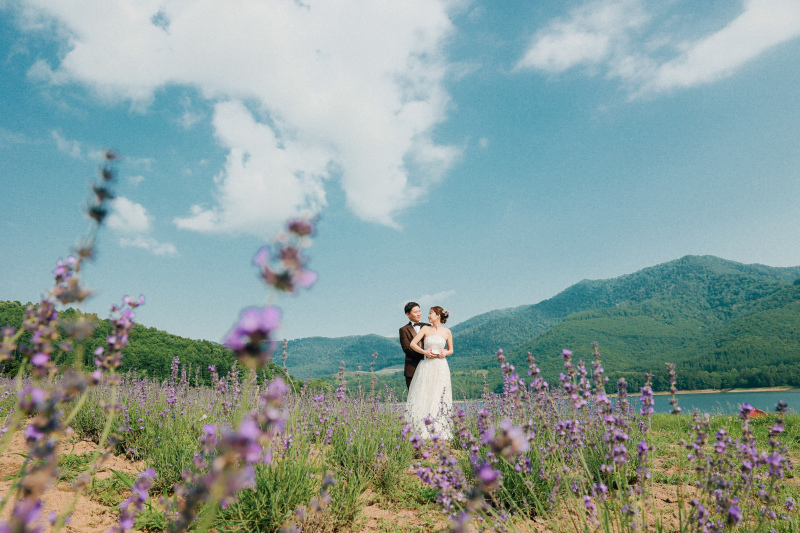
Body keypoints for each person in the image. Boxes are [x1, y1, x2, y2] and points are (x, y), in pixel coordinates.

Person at [404, 306, 453, 439]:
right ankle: (420, 428)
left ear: (438, 316)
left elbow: (451, 350)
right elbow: (413, 344)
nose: (428, 316)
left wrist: (445, 352)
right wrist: (425, 352)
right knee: (425, 393)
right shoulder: (425, 329)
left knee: (439, 394)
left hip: (441, 366)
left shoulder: (447, 332)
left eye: (430, 313)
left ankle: (438, 428)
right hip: (426, 365)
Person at [399, 302, 429, 390]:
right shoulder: (403, 330)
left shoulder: (429, 326)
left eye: (419, 311)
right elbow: (407, 348)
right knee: (413, 398)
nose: (419, 314)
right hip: (412, 368)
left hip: (429, 367)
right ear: (407, 314)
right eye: (416, 312)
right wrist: (425, 354)